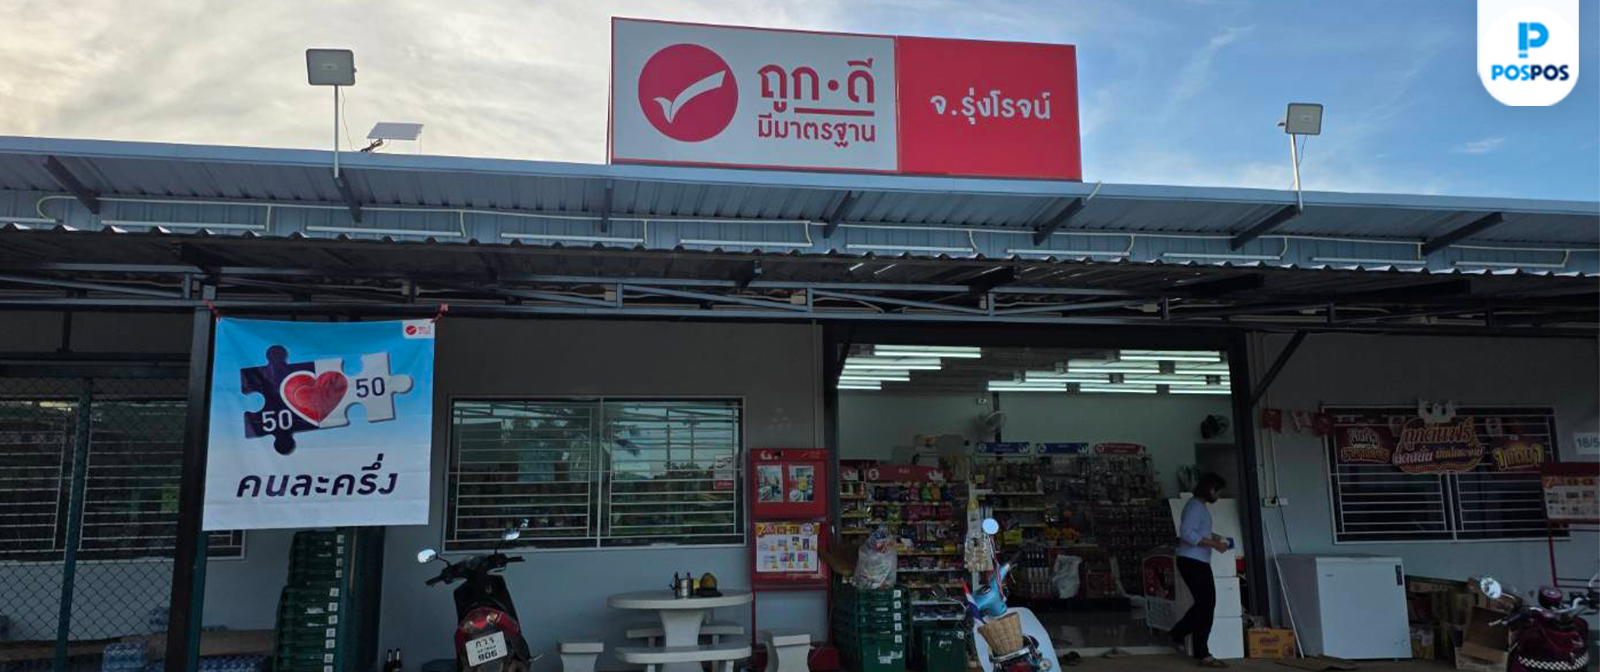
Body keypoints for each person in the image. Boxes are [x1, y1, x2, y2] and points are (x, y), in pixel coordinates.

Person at [1170, 473, 1231, 668]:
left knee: (1204, 605)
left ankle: (1184, 637)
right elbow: (1187, 533)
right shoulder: (1195, 506)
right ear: (1209, 488)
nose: (1218, 496)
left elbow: (1197, 531)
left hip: (1196, 561)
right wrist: (1214, 544)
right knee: (1206, 605)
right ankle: (1194, 646)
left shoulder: (1198, 506)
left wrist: (1216, 537)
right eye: (1217, 491)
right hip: (1193, 561)